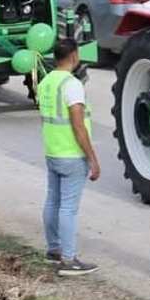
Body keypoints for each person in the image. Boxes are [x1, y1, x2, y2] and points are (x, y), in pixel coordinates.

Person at [36, 38, 101, 277]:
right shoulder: (72, 85)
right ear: (74, 56)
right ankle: (69, 259)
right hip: (72, 154)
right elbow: (78, 124)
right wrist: (92, 158)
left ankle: (54, 249)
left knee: (52, 201)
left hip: (53, 151)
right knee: (68, 208)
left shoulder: (46, 82)